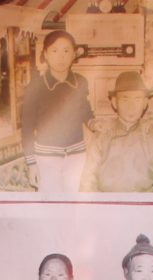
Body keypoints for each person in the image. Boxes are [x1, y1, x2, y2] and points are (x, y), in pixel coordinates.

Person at [16, 29, 94, 197]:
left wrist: (94, 122)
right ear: (45, 54)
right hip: (46, 157)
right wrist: (31, 164)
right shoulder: (35, 86)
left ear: (74, 54)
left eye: (66, 51)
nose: (61, 56)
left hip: (76, 155)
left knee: (73, 199)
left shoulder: (80, 82)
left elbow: (85, 110)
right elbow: (27, 128)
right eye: (55, 50)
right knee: (51, 202)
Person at [81, 70, 153, 193]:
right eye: (125, 100)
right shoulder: (103, 133)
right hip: (108, 206)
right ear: (115, 102)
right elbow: (88, 180)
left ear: (145, 103)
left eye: (137, 99)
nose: (131, 106)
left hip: (144, 206)